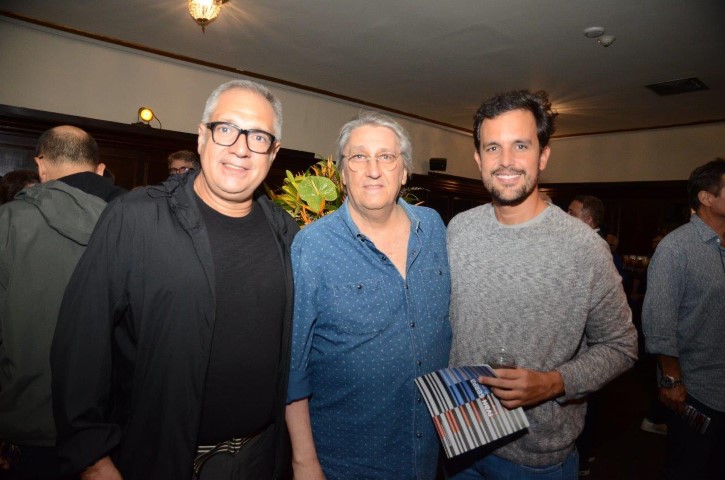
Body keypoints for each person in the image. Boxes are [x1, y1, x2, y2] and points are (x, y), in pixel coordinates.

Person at [50, 80, 298, 480]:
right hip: (159, 459)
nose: (240, 148)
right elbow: (80, 339)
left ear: (273, 152)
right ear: (202, 137)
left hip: (262, 458)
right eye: (226, 129)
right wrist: (91, 457)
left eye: (258, 136)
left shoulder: (286, 232)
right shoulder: (136, 217)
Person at [445, 90, 638, 479]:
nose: (506, 160)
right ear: (479, 160)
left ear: (543, 156)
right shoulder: (458, 231)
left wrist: (553, 383)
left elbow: (621, 346)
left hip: (536, 459)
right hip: (460, 437)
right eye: (493, 148)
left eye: (521, 145)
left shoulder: (584, 248)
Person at [285, 111, 451, 480]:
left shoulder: (434, 229)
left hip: (429, 451)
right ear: (343, 173)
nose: (373, 170)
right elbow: (293, 365)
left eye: (386, 157)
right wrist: (304, 462)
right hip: (348, 459)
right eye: (359, 157)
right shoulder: (313, 246)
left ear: (404, 171)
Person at [0, 126, 124, 479]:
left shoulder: (7, 223)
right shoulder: (134, 222)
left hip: (26, 426)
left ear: (41, 166)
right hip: (109, 434)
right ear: (100, 169)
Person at [642, 158, 725, 480]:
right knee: (688, 469)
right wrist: (672, 381)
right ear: (706, 198)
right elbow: (659, 322)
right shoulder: (676, 248)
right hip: (696, 389)